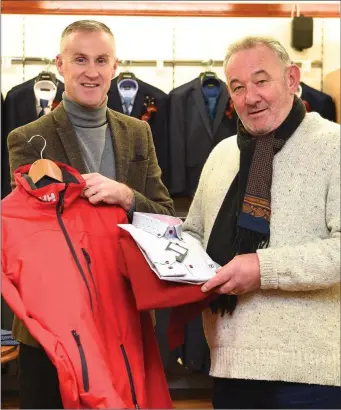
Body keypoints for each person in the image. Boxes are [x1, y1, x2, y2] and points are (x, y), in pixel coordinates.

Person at [7, 20, 175, 409]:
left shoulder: (138, 133)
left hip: (125, 315)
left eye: (102, 60)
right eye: (80, 59)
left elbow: (165, 216)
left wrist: (127, 196)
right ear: (60, 64)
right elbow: (34, 233)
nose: (91, 71)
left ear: (115, 66)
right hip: (54, 325)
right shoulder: (28, 138)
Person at [183, 36, 341, 409]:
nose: (249, 97)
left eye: (261, 80)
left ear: (291, 78)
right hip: (229, 365)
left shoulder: (334, 146)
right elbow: (195, 233)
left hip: (311, 376)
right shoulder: (222, 154)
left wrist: (261, 268)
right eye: (237, 87)